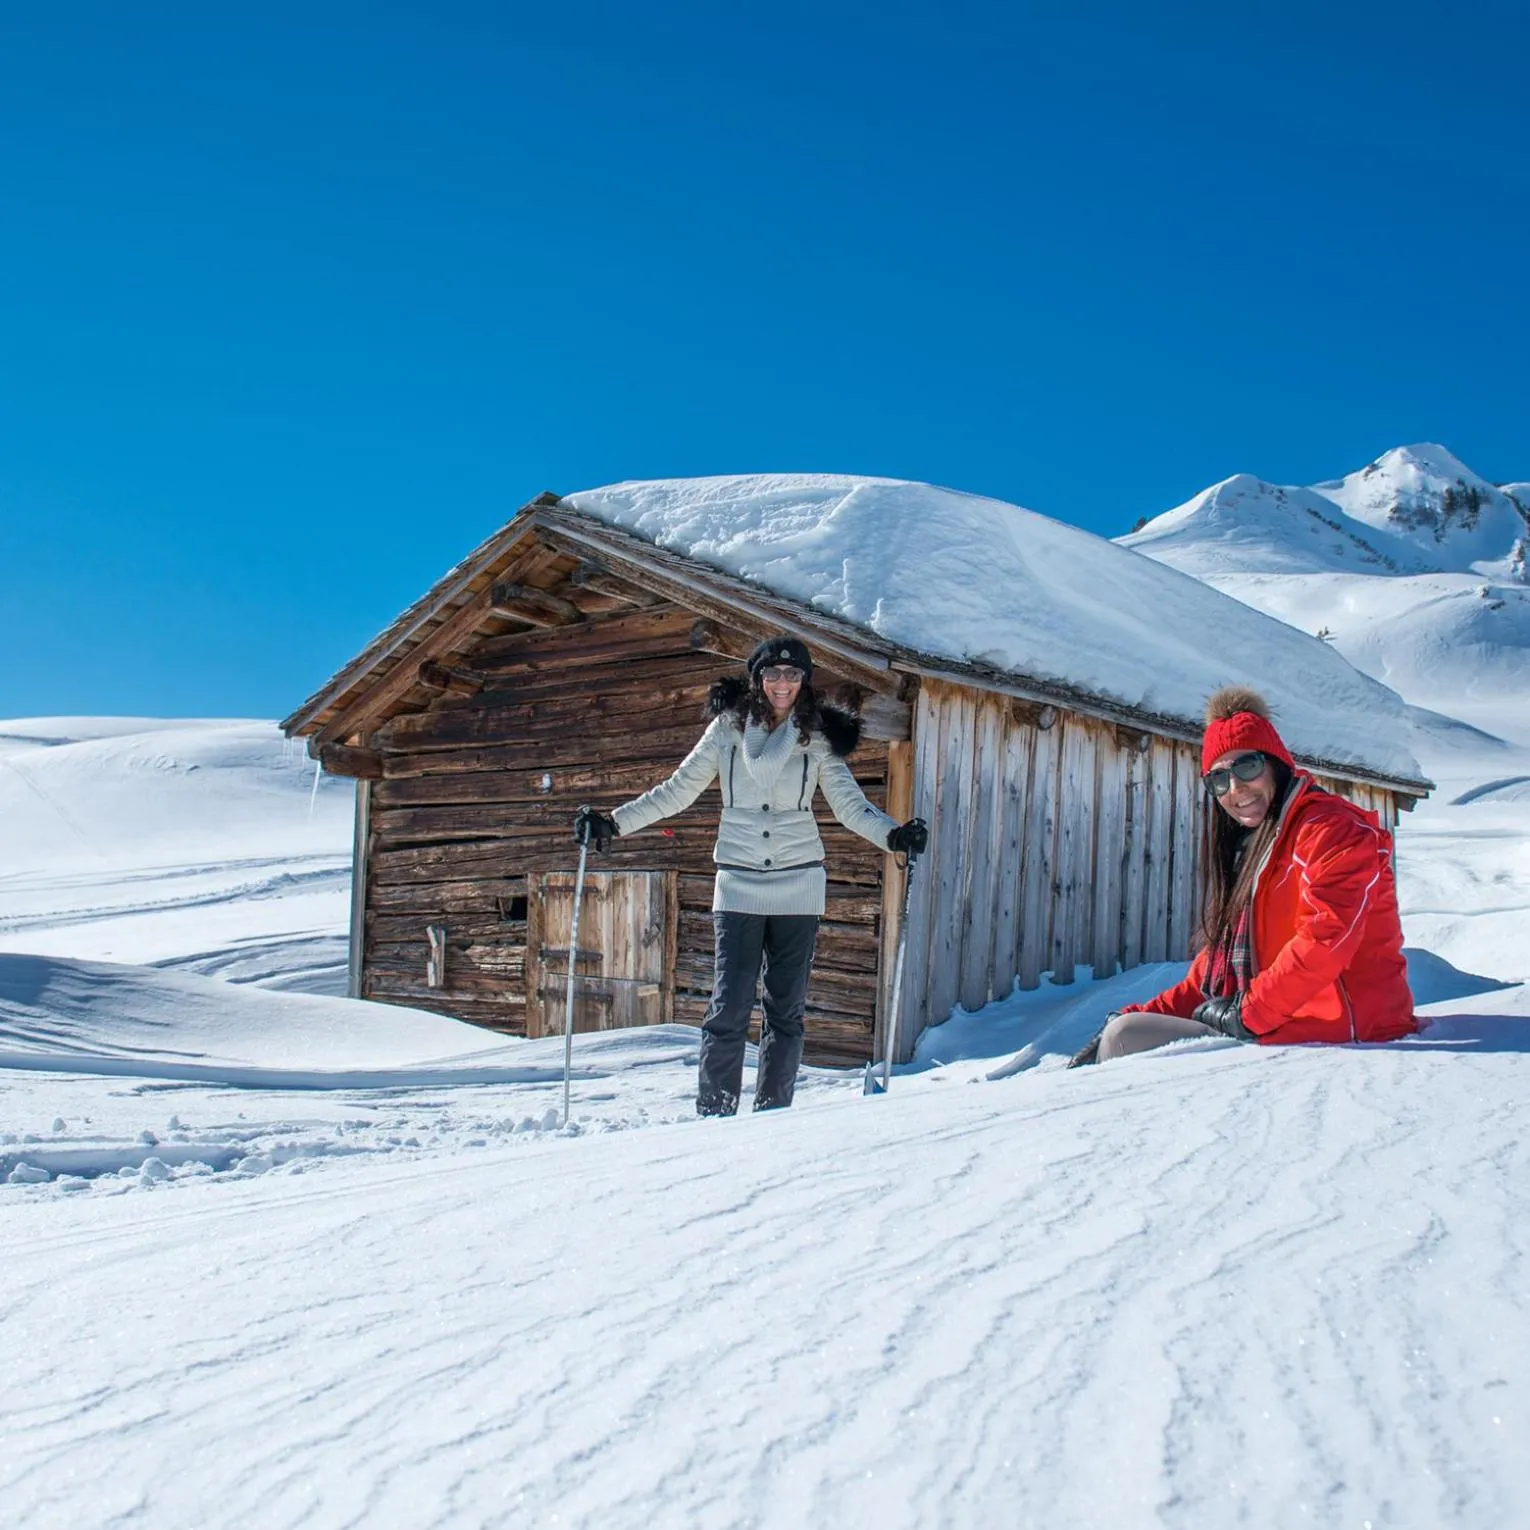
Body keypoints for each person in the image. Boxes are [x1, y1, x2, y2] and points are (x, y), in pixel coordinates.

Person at [573, 635, 928, 1116]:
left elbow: (850, 807)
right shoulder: (727, 730)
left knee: (785, 1012)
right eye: (774, 673)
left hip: (799, 887)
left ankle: (772, 1113)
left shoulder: (817, 738)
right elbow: (678, 790)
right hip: (738, 884)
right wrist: (615, 822)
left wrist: (893, 836)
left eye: (793, 674)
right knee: (729, 1006)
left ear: (804, 682)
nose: (783, 683)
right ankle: (715, 1110)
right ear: (758, 679)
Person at [1070, 685, 1415, 1067]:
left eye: (1247, 766)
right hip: (1276, 1025)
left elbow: (1327, 936)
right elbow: (1203, 984)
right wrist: (1133, 1012)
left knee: (1126, 1038)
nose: (1235, 789)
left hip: (1347, 1033)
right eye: (1218, 780)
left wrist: (1249, 1013)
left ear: (1277, 764)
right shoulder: (1253, 853)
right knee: (1125, 1028)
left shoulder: (1331, 829)